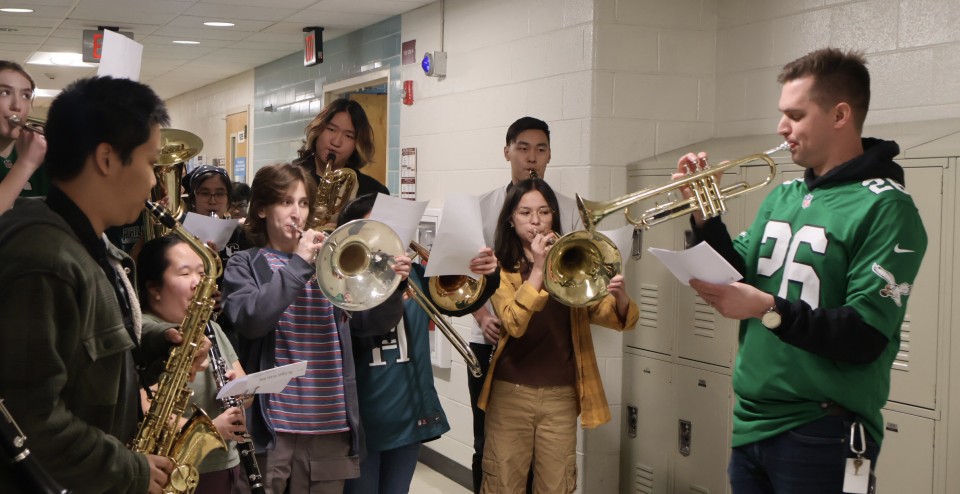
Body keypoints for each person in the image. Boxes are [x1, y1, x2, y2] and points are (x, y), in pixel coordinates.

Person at [677, 48, 927, 493]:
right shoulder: (784, 195)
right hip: (751, 422)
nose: (781, 128)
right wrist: (704, 219)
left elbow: (863, 335)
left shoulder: (886, 205)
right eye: (781, 114)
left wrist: (768, 309)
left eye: (795, 114)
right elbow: (737, 272)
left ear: (840, 115)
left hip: (822, 427)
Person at [0, 76, 211, 494]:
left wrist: (158, 341)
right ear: (107, 159)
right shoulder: (43, 260)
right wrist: (130, 469)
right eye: (151, 163)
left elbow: (87, 340)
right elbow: (28, 420)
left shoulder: (89, 243)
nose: (155, 183)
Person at [221, 164, 412, 494]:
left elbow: (370, 325)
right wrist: (298, 266)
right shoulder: (246, 264)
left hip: (330, 426)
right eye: (285, 202)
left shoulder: (331, 264)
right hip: (273, 430)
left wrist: (392, 287)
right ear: (263, 209)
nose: (297, 213)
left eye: (304, 203)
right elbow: (251, 321)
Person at [478, 178, 638, 494]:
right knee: (502, 484)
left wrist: (619, 297)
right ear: (511, 219)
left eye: (544, 212)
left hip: (561, 397)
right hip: (511, 392)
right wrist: (538, 270)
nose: (535, 221)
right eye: (525, 212)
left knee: (558, 485)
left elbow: (606, 314)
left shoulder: (573, 260)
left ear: (554, 217)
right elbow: (513, 322)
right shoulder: (498, 268)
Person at [336, 194, 499, 494]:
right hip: (362, 424)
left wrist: (490, 274)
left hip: (408, 419)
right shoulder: (339, 286)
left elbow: (462, 302)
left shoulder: (418, 277)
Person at [467, 116, 583, 493]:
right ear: (507, 152)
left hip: (549, 350)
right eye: (523, 148)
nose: (532, 157)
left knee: (549, 466)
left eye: (541, 149)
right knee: (492, 450)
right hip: (493, 343)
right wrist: (483, 316)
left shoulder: (567, 207)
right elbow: (462, 276)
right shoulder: (484, 205)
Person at [137, 235, 249, 494]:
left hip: (223, 462)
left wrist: (237, 392)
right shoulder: (145, 334)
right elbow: (144, 405)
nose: (197, 282)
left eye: (201, 273)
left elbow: (244, 390)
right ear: (154, 288)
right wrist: (209, 429)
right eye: (185, 273)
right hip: (171, 468)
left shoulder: (211, 329)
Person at [294, 98, 389, 213]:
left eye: (348, 136)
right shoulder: (289, 178)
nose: (336, 142)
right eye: (331, 130)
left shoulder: (375, 192)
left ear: (358, 145)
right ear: (317, 129)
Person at [0, 61, 48, 213]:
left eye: (25, 96)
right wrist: (26, 163)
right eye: (5, 93)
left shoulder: (45, 157)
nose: (17, 105)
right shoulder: (31, 158)